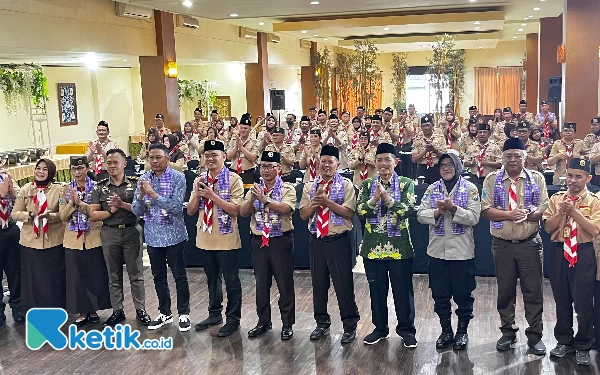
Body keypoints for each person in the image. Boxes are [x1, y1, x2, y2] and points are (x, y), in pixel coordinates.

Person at [481, 138, 549, 355]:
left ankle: (535, 335)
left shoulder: (536, 179)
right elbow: (485, 210)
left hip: (530, 244)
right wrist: (509, 215)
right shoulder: (492, 180)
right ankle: (507, 332)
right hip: (502, 245)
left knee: (533, 291)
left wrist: (528, 215)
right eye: (508, 156)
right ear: (502, 158)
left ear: (524, 157)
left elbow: (544, 210)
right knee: (505, 290)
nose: (512, 159)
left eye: (517, 155)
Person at [417, 152, 480, 350]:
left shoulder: (470, 189)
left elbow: (473, 218)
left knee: (463, 295)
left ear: (458, 167)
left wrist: (453, 209)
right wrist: (437, 212)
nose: (445, 168)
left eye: (450, 165)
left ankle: (462, 332)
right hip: (436, 252)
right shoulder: (431, 188)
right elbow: (420, 214)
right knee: (440, 295)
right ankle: (446, 331)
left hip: (462, 253)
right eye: (442, 165)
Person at [357, 143, 417, 348]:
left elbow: (408, 211)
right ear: (375, 163)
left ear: (396, 162)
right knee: (376, 291)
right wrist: (375, 199)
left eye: (387, 160)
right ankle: (380, 328)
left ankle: (406, 330)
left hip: (400, 248)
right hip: (373, 248)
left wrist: (388, 200)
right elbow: (360, 212)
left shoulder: (406, 183)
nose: (383, 164)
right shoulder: (366, 185)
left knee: (402, 290)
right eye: (379, 160)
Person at [299, 145, 360, 344]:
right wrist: (317, 202)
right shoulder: (309, 186)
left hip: (339, 240)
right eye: (323, 161)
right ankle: (322, 323)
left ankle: (349, 326)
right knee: (318, 283)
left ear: (337, 164)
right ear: (318, 164)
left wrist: (327, 202)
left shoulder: (347, 185)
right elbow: (303, 215)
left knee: (343, 284)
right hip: (316, 240)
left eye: (330, 162)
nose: (326, 165)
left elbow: (349, 213)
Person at [543, 158, 600, 366]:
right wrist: (561, 212)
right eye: (570, 175)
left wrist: (574, 212)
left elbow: (594, 230)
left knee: (584, 301)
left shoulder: (594, 201)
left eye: (579, 176)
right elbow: (549, 228)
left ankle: (584, 343)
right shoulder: (557, 198)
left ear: (588, 178)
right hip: (559, 251)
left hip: (583, 253)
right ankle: (564, 340)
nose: (573, 180)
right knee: (561, 299)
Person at [132, 144, 191, 332]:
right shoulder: (143, 179)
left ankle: (184, 313)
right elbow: (136, 210)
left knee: (179, 276)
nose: (154, 161)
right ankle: (165, 312)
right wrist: (142, 196)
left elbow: (175, 206)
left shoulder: (178, 178)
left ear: (168, 159)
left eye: (158, 157)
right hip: (152, 235)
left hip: (174, 235)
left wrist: (152, 194)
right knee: (158, 276)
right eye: (151, 158)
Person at [187, 140, 243, 337]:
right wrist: (198, 194)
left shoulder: (234, 179)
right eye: (207, 155)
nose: (210, 159)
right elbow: (191, 210)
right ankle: (214, 314)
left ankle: (233, 319)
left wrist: (212, 195)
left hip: (226, 238)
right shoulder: (200, 179)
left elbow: (236, 210)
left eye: (214, 155)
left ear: (224, 157)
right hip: (205, 237)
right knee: (212, 279)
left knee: (231, 280)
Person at [89, 149, 150, 326]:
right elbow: (93, 215)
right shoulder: (100, 187)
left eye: (116, 162)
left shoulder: (136, 183)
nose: (112, 166)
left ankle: (141, 310)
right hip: (110, 232)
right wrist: (111, 211)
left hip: (131, 231)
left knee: (136, 274)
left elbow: (143, 208)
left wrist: (122, 204)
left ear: (124, 164)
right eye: (109, 162)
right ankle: (117, 310)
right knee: (113, 274)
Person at [240, 151, 296, 340]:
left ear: (278, 169)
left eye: (269, 166)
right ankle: (263, 321)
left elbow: (286, 209)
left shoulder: (287, 188)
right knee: (261, 284)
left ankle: (287, 324)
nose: (265, 170)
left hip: (280, 240)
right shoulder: (254, 189)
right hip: (258, 241)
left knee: (284, 283)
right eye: (262, 166)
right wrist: (254, 199)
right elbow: (243, 211)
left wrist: (265, 200)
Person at [58, 156, 110, 327]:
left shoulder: (97, 188)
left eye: (81, 168)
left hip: (93, 236)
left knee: (94, 275)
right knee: (76, 277)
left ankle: (93, 309)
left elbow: (97, 212)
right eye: (74, 169)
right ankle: (81, 312)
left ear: (87, 168)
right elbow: (62, 216)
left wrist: (80, 204)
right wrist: (72, 204)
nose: (77, 172)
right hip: (72, 239)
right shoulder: (65, 190)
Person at [11, 159, 65, 312]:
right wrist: (30, 214)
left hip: (53, 239)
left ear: (51, 173)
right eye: (38, 168)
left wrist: (50, 216)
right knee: (33, 277)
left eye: (45, 169)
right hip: (30, 241)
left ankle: (57, 308)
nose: (40, 172)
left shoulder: (59, 189)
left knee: (53, 276)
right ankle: (33, 309)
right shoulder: (26, 189)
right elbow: (15, 214)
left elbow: (63, 214)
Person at [0, 169, 23, 325]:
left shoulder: (6, 178)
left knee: (15, 272)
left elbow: (19, 204)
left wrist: (12, 192)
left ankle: (18, 308)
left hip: (10, 230)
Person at [412, 115, 447, 184]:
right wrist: (425, 151)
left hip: (437, 168)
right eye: (423, 126)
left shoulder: (440, 138)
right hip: (423, 168)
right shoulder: (417, 140)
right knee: (422, 192)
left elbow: (445, 156)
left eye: (428, 125)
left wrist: (435, 150)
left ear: (433, 125)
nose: (426, 128)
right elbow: (414, 159)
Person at [227, 117, 258, 186]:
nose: (243, 130)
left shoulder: (254, 142)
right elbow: (228, 157)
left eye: (245, 128)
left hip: (248, 172)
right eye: (241, 128)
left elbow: (253, 158)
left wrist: (241, 148)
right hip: (234, 171)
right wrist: (236, 148)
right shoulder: (233, 140)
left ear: (250, 129)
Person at [587, 117, 600, 186]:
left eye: (595, 125)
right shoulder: (589, 137)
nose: (592, 127)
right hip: (592, 168)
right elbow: (585, 152)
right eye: (591, 125)